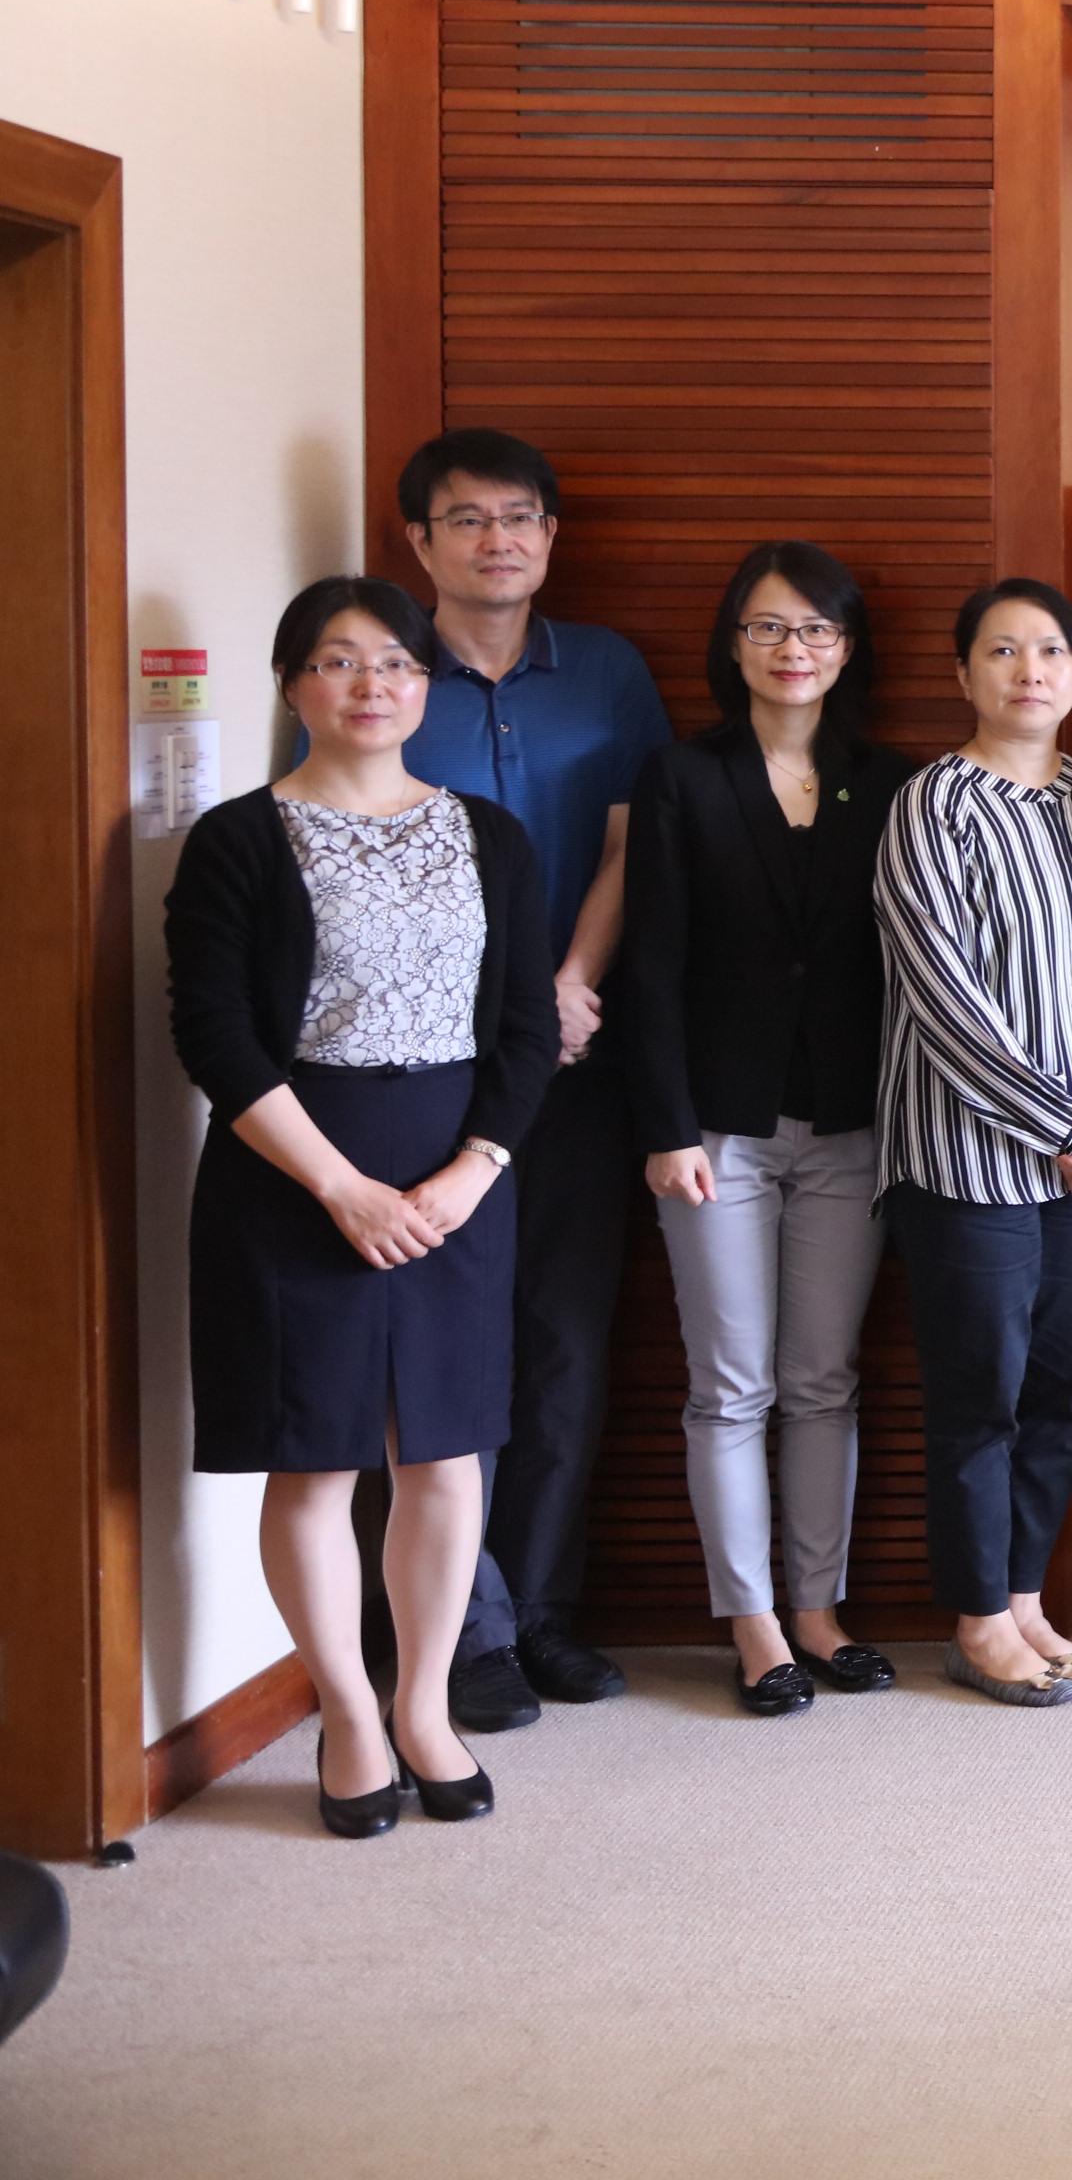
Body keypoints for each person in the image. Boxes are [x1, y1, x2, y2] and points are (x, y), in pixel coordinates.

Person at [169, 578, 557, 1835]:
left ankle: (424, 1706)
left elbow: (526, 1027)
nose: (372, 684)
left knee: (444, 1456)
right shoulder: (237, 840)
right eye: (340, 661)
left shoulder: (490, 835)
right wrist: (339, 1186)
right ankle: (346, 1710)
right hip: (292, 1175)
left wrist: (470, 1172)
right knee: (316, 1457)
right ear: (294, 683)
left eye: (396, 662)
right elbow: (215, 1036)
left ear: (425, 686)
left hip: (455, 1175)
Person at [392, 427, 673, 1726]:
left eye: (520, 517)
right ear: (420, 542)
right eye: (468, 519)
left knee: (564, 1341)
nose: (498, 539)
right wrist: (507, 1011)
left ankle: (544, 1610)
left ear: (551, 536)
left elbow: (629, 846)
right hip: (434, 1068)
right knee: (449, 1344)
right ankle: (465, 1631)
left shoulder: (606, 670)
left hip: (576, 1055)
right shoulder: (388, 672)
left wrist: (567, 986)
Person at [621, 542, 905, 1716]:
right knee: (730, 1386)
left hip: (853, 1123)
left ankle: (820, 1611)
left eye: (817, 629)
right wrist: (665, 1125)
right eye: (770, 627)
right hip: (716, 1132)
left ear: (847, 649)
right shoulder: (683, 777)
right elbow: (650, 963)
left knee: (824, 1381)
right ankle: (753, 1626)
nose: (795, 649)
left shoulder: (888, 781)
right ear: (733, 642)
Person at [873, 579, 1072, 1706]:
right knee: (978, 1393)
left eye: (1051, 651)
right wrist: (1062, 1124)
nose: (1030, 671)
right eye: (1001, 650)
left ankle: (1028, 1600)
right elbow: (942, 994)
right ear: (963, 673)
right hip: (965, 1159)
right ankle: (978, 1618)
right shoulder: (931, 804)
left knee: (1055, 1390)